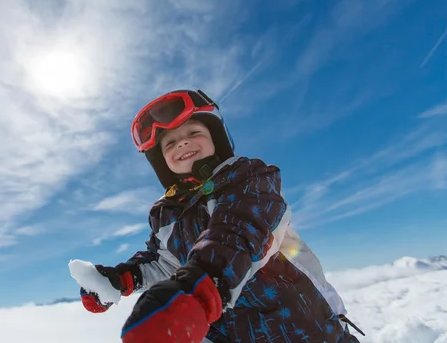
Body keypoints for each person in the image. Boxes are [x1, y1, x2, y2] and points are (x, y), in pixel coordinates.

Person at [78, 89, 363, 343]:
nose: (181, 143)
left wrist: (196, 291)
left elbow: (238, 233)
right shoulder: (168, 215)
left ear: (216, 138)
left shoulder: (248, 180)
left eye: (193, 133)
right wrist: (121, 279)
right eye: (170, 143)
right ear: (161, 162)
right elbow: (163, 261)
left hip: (304, 330)